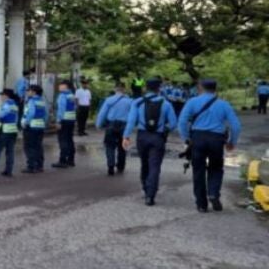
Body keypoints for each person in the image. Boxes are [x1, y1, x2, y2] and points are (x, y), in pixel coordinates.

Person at [178, 79, 241, 213]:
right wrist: (232, 142)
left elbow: (182, 122)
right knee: (216, 167)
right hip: (216, 139)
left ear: (200, 87)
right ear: (215, 89)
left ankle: (201, 204)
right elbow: (236, 126)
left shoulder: (192, 102)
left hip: (198, 138)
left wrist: (186, 139)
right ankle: (213, 193)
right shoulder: (224, 104)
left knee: (198, 170)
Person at [123, 77, 177, 206]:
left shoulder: (137, 102)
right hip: (158, 137)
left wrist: (126, 136)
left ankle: (145, 187)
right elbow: (174, 123)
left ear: (146, 88)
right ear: (159, 88)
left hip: (142, 136)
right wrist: (165, 129)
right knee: (155, 166)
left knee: (144, 163)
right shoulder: (166, 103)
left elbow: (131, 122)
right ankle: (150, 196)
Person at [95, 83, 132, 175]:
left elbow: (102, 113)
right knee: (122, 146)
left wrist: (98, 124)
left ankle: (110, 166)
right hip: (124, 125)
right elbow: (133, 115)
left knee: (110, 146)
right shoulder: (130, 101)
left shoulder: (109, 100)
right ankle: (120, 166)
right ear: (124, 89)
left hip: (111, 125)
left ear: (115, 89)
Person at [21, 84, 48, 174]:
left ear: (33, 92)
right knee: (38, 146)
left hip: (31, 126)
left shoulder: (31, 101)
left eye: (29, 91)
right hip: (40, 126)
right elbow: (46, 114)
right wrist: (44, 123)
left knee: (29, 146)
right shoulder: (42, 101)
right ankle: (39, 165)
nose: (27, 92)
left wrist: (26, 123)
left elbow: (31, 113)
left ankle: (31, 166)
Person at [53, 80, 77, 168]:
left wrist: (58, 121)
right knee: (70, 139)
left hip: (64, 119)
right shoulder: (72, 95)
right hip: (71, 119)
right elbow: (75, 107)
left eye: (61, 85)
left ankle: (62, 160)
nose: (59, 86)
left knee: (63, 140)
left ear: (66, 86)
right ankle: (71, 160)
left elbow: (61, 109)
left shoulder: (62, 95)